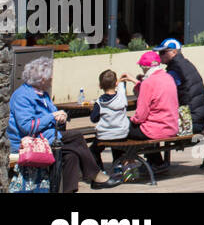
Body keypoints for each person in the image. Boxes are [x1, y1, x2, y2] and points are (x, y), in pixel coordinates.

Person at [7, 57, 120, 191]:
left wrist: (61, 115)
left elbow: (53, 112)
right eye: (50, 77)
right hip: (28, 142)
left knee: (71, 155)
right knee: (76, 136)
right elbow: (27, 127)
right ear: (41, 79)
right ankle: (95, 175)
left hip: (46, 137)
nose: (52, 80)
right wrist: (52, 116)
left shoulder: (42, 94)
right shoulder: (22, 96)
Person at [158, 38, 204, 135]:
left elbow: (165, 91)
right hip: (197, 118)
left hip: (190, 121)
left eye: (163, 52)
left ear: (174, 52)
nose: (160, 55)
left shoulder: (176, 69)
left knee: (155, 127)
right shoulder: (184, 64)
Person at [89, 68, 131, 143]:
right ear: (116, 84)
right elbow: (122, 88)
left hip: (104, 135)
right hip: (122, 133)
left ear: (100, 86)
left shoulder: (99, 102)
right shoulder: (121, 97)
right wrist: (121, 81)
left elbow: (93, 119)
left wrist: (92, 111)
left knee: (94, 149)